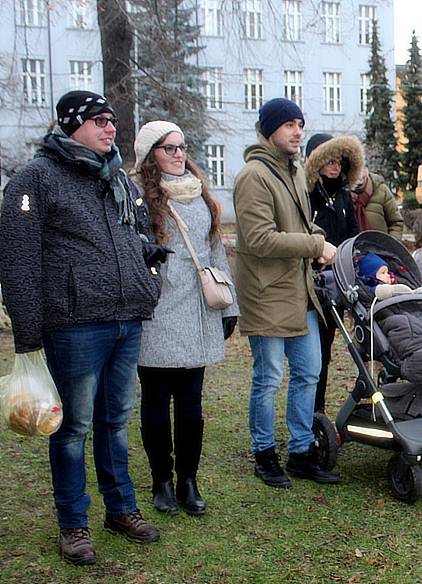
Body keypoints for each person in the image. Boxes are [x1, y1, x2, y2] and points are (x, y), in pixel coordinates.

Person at [0, 90, 164, 565]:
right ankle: (73, 524)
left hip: (124, 319)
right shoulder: (37, 178)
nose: (110, 128)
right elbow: (16, 257)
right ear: (71, 125)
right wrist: (28, 332)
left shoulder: (118, 179)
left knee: (114, 424)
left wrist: (146, 278)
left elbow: (139, 236)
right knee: (73, 429)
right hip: (72, 325)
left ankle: (121, 509)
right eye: (98, 120)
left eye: (112, 120)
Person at [132, 121, 239, 516]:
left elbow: (216, 253)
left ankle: (188, 480)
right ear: (150, 155)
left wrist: (230, 307)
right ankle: (161, 479)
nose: (179, 154)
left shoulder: (199, 195)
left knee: (191, 406)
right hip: (156, 313)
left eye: (182, 146)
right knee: (157, 402)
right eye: (168, 148)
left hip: (197, 314)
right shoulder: (137, 196)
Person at [233, 97, 340, 488]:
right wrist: (314, 246)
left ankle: (300, 451)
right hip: (266, 292)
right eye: (288, 125)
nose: (297, 131)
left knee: (309, 371)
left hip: (300, 291)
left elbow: (299, 223)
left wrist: (318, 236)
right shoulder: (253, 176)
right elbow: (260, 239)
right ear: (268, 130)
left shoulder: (294, 171)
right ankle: (264, 454)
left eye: (300, 123)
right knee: (269, 377)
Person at [304, 133, 362, 413]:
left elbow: (352, 234)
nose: (336, 166)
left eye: (340, 161)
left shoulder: (343, 196)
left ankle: (318, 412)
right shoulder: (306, 193)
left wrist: (344, 256)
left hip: (335, 280)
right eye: (330, 160)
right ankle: (310, 413)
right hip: (308, 282)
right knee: (311, 356)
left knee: (324, 351)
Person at [350, 166, 405, 239]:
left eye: (362, 168)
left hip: (380, 247)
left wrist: (391, 245)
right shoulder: (342, 194)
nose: (360, 174)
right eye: (355, 170)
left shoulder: (381, 190)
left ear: (366, 169)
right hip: (350, 248)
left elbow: (396, 222)